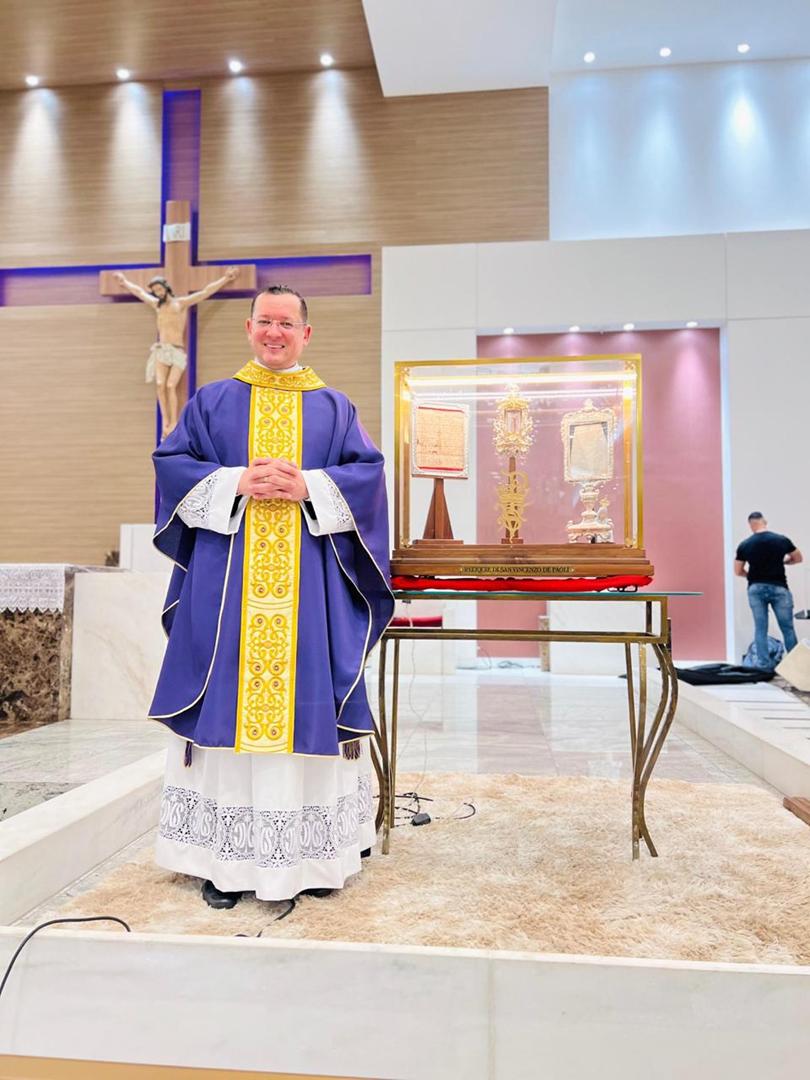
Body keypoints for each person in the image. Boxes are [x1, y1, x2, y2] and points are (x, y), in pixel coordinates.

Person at [147, 284, 395, 908]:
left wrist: (311, 486)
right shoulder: (211, 401)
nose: (275, 332)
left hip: (310, 594)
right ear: (250, 328)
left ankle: (312, 858)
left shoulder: (334, 407)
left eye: (287, 323)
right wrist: (235, 480)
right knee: (226, 708)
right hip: (227, 589)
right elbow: (171, 465)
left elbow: (368, 477)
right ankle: (221, 862)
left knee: (306, 706)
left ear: (306, 333)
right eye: (265, 321)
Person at [114, 266, 239, 438]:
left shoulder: (180, 304)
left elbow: (205, 292)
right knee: (160, 384)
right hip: (161, 349)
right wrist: (124, 282)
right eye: (155, 291)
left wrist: (225, 279)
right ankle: (165, 421)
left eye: (159, 289)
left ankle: (173, 422)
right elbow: (140, 292)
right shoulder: (157, 306)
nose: (158, 293)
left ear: (166, 287)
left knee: (171, 385)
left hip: (177, 350)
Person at [735, 512, 803, 669]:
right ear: (764, 521)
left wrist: (752, 576)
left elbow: (738, 571)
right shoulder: (781, 540)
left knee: (761, 628)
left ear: (751, 525)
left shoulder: (745, 544)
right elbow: (798, 558)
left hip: (756, 588)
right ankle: (796, 667)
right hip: (779, 587)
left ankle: (763, 666)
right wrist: (785, 562)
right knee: (787, 628)